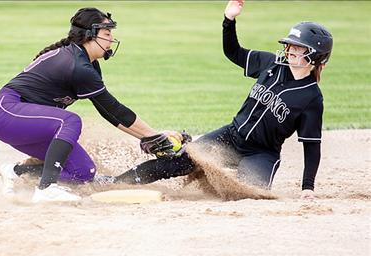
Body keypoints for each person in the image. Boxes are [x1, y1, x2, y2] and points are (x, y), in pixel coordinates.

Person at [111, 0, 333, 199]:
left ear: (315, 56)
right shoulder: (271, 64)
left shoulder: (311, 98)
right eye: (290, 45)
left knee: (248, 193)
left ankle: (219, 176)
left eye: (298, 47)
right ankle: (117, 183)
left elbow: (311, 145)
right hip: (231, 136)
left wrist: (308, 188)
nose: (290, 49)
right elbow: (233, 52)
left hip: (261, 153)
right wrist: (229, 20)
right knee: (178, 162)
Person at [0, 7, 182, 203]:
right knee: (69, 121)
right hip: (7, 113)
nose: (111, 39)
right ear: (89, 35)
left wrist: (153, 135)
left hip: (27, 125)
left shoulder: (87, 64)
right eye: (107, 33)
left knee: (82, 172)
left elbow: (109, 112)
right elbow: (114, 109)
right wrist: (152, 136)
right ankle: (47, 188)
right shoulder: (78, 65)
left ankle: (16, 172)